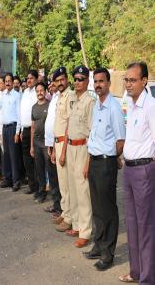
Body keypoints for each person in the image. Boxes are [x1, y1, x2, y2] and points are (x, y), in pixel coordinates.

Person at [85, 67, 125, 271]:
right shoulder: (96, 106)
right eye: (96, 81)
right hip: (94, 161)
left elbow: (120, 141)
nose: (98, 85)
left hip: (106, 163)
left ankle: (108, 254)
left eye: (102, 81)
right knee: (97, 208)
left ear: (109, 83)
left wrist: (111, 158)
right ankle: (98, 246)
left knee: (108, 210)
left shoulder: (114, 107)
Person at [119, 62, 155, 284]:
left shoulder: (151, 106)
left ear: (144, 81)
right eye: (126, 79)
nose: (128, 84)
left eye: (133, 80)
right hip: (129, 170)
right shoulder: (131, 104)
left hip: (144, 171)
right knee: (131, 223)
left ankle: (148, 277)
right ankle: (135, 271)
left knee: (146, 225)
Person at [65, 66, 95, 248]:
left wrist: (88, 161)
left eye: (81, 79)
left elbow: (92, 133)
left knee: (83, 192)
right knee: (73, 189)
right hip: (70, 147)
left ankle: (85, 231)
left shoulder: (90, 102)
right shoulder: (74, 100)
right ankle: (76, 224)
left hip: (83, 148)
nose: (77, 82)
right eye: (75, 79)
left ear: (87, 81)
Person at [51, 67, 73, 233]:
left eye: (62, 80)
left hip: (66, 144)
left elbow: (69, 126)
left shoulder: (70, 97)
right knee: (62, 183)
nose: (60, 83)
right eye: (57, 80)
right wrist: (54, 149)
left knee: (67, 184)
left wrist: (64, 150)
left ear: (67, 80)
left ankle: (70, 218)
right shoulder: (59, 97)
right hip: (57, 143)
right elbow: (57, 125)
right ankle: (65, 213)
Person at [0, 73, 22, 191]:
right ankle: (8, 179)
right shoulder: (3, 95)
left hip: (13, 127)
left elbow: (19, 115)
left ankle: (16, 181)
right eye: (5, 81)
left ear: (12, 82)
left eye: (9, 81)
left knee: (13, 155)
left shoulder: (17, 96)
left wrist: (17, 132)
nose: (7, 83)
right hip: (4, 128)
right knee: (6, 155)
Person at [43, 70, 62, 216]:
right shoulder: (54, 98)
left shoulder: (63, 98)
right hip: (50, 143)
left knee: (59, 178)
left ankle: (61, 208)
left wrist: (54, 146)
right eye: (51, 82)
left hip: (58, 144)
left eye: (55, 82)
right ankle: (56, 205)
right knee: (53, 178)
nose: (52, 84)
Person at [30, 81, 49, 203]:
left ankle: (54, 194)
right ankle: (41, 192)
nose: (39, 93)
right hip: (36, 143)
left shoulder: (50, 105)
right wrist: (31, 146)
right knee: (39, 169)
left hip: (47, 143)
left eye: (41, 90)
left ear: (45, 91)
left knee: (50, 170)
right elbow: (32, 127)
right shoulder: (34, 107)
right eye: (37, 91)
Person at [20, 70, 38, 196]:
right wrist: (21, 130)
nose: (29, 80)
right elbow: (22, 111)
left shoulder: (39, 91)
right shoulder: (25, 92)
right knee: (27, 160)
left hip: (35, 131)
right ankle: (32, 186)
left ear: (36, 79)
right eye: (27, 78)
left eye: (31, 78)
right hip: (25, 130)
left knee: (36, 160)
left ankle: (38, 187)